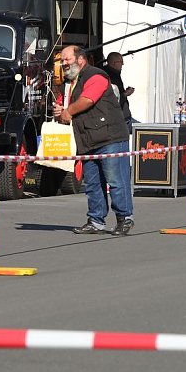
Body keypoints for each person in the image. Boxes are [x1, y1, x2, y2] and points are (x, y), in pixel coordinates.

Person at [54, 46, 134, 235]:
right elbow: (71, 107)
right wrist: (60, 112)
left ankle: (124, 218)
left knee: (116, 180)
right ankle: (96, 220)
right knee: (92, 183)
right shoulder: (71, 82)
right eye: (62, 61)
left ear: (80, 59)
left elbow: (88, 100)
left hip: (110, 137)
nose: (63, 64)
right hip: (88, 139)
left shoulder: (95, 75)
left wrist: (68, 111)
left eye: (66, 60)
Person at [101, 52, 135, 128]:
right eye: (121, 62)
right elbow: (111, 98)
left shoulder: (114, 73)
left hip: (124, 117)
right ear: (114, 63)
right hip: (119, 120)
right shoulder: (109, 76)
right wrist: (125, 94)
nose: (123, 64)